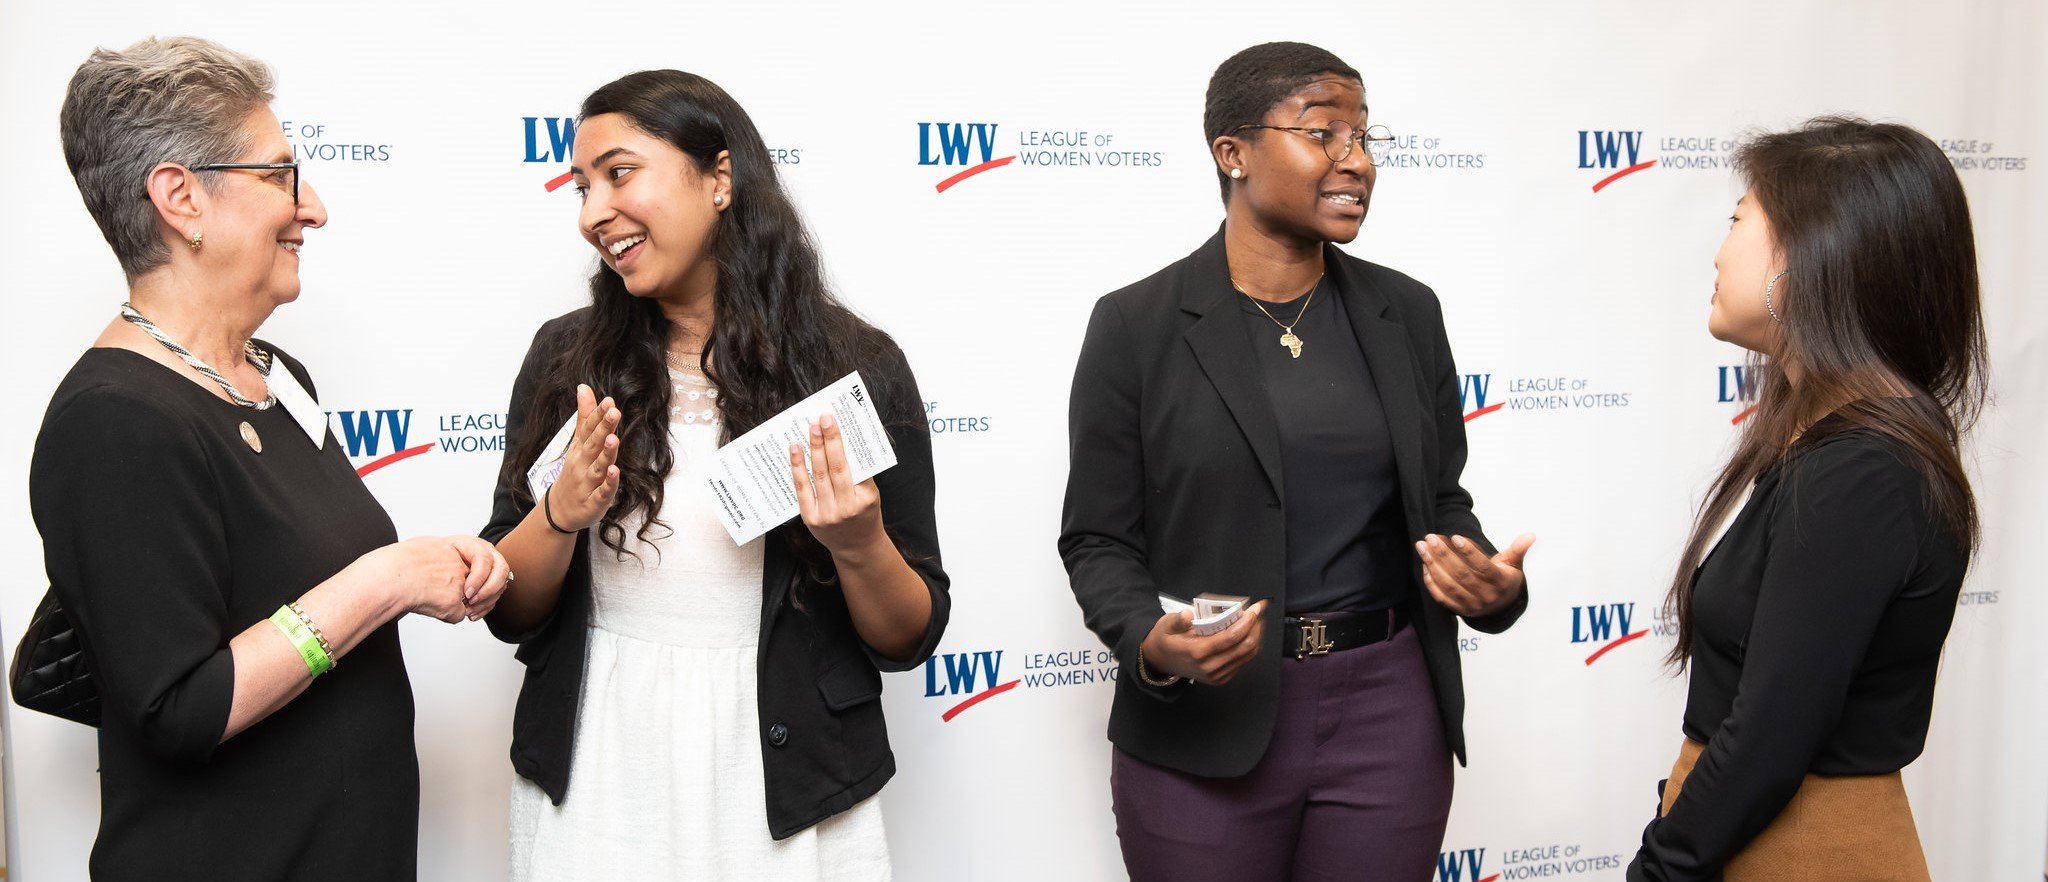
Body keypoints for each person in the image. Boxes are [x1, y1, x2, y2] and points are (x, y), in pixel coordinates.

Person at [26, 37, 509, 879]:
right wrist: (390, 579)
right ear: (181, 197)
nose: (312, 206)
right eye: (279, 174)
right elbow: (181, 708)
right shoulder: (115, 420)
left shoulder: (279, 377)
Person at [1059, 41, 1534, 881]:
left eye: (1364, 137)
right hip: (1207, 724)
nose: (1357, 161)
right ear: (1231, 153)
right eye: (1324, 133)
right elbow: (1099, 540)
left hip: (1388, 711)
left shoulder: (1407, 313)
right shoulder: (1136, 326)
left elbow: (1439, 499)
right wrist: (1153, 643)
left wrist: (1486, 580)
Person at [482, 69, 949, 880]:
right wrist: (558, 515)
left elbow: (910, 636)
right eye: (582, 187)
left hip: (789, 778)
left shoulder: (856, 368)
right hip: (598, 767)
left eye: (621, 174)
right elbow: (509, 611)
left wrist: (861, 542)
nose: (595, 213)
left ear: (721, 178)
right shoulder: (567, 359)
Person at [1626, 117, 1988, 881]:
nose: (1719, 253)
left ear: (1811, 257)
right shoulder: (1833, 448)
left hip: (1800, 852)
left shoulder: (1860, 472)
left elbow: (1769, 734)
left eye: (1737, 222)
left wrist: (1657, 869)